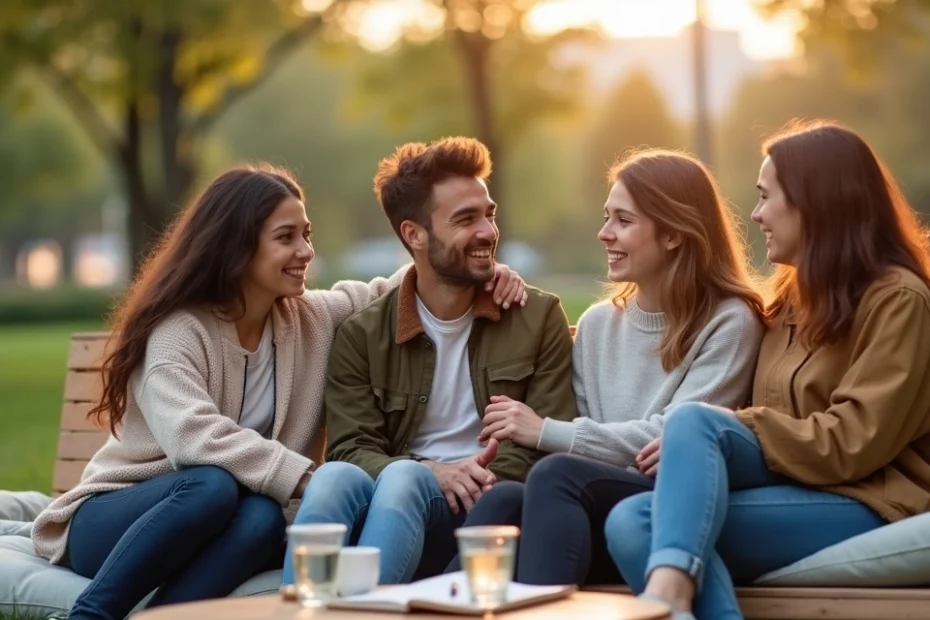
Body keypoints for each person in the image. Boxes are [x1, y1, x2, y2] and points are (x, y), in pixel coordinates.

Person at [29, 164, 527, 620]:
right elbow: (192, 438)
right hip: (118, 520)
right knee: (212, 483)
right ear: (236, 247)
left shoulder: (310, 318)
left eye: (306, 235)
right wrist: (304, 477)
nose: (305, 252)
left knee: (265, 517)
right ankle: (90, 616)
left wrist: (481, 272)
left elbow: (397, 285)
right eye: (286, 238)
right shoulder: (178, 332)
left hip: (231, 521)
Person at [605, 120, 930, 620]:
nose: (755, 215)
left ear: (814, 204)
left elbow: (854, 444)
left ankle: (670, 596)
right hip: (791, 486)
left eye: (765, 197)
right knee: (630, 519)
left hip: (869, 498)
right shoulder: (788, 305)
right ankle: (672, 591)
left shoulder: (899, 301)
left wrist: (741, 424)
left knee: (687, 432)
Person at [446, 149, 766, 586]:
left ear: (673, 233)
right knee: (502, 501)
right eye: (606, 217)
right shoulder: (598, 324)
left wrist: (544, 430)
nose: (604, 234)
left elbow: (678, 438)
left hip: (667, 509)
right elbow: (587, 434)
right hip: (587, 504)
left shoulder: (729, 322)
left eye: (623, 221)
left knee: (558, 474)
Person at [282, 137, 577, 587]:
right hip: (393, 506)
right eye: (465, 219)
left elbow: (546, 438)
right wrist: (429, 472)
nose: (487, 232)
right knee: (335, 477)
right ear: (413, 234)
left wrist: (457, 478)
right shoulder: (362, 335)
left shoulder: (536, 318)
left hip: (487, 509)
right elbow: (349, 448)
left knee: (403, 478)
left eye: (488, 214)